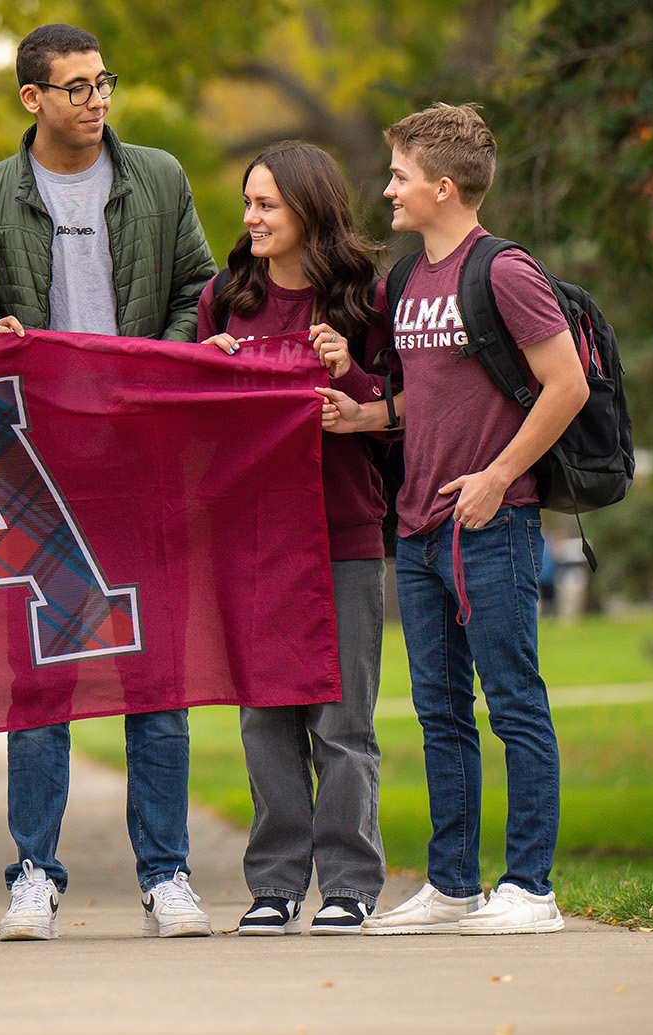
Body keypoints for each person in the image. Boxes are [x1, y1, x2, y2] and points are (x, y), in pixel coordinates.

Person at [0, 22, 217, 941]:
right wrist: (1, 342)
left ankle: (167, 873)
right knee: (42, 681)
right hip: (40, 468)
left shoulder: (160, 177)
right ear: (32, 98)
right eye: (77, 87)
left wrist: (155, 370)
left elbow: (199, 288)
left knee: (157, 674)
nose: (97, 100)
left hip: (143, 459)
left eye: (105, 82)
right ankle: (34, 871)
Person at [320, 103, 588, 933]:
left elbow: (567, 385)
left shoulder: (502, 271)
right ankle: (452, 884)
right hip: (418, 526)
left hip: (494, 519)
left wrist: (498, 477)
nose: (388, 188)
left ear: (444, 185)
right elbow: (420, 401)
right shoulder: (403, 281)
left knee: (513, 701)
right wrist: (360, 416)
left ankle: (531, 888)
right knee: (440, 711)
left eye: (399, 175)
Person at [197, 141, 390, 934]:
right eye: (248, 203)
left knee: (342, 719)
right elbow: (195, 427)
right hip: (252, 536)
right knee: (265, 716)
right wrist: (199, 369)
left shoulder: (366, 302)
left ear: (310, 207)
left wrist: (352, 372)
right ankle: (273, 884)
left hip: (344, 528)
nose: (250, 218)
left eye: (266, 204)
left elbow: (401, 411)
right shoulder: (226, 299)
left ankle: (349, 884)